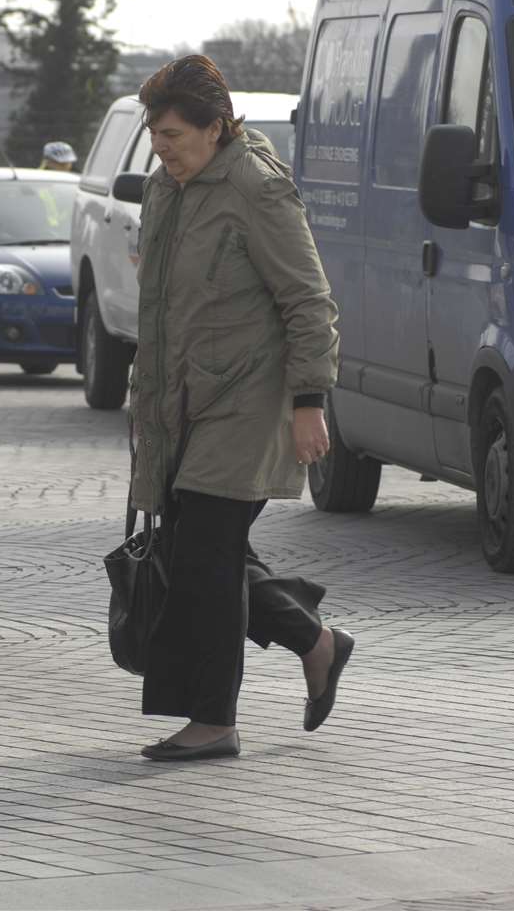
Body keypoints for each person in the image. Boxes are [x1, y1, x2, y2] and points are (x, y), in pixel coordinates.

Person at [127, 55, 353, 762]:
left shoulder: (256, 188)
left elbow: (309, 302)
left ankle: (214, 720)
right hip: (182, 403)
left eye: (172, 134)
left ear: (215, 128)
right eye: (154, 134)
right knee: (202, 550)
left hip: (250, 400)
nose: (160, 148)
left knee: (204, 556)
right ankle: (316, 642)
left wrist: (310, 403)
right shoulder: (168, 190)